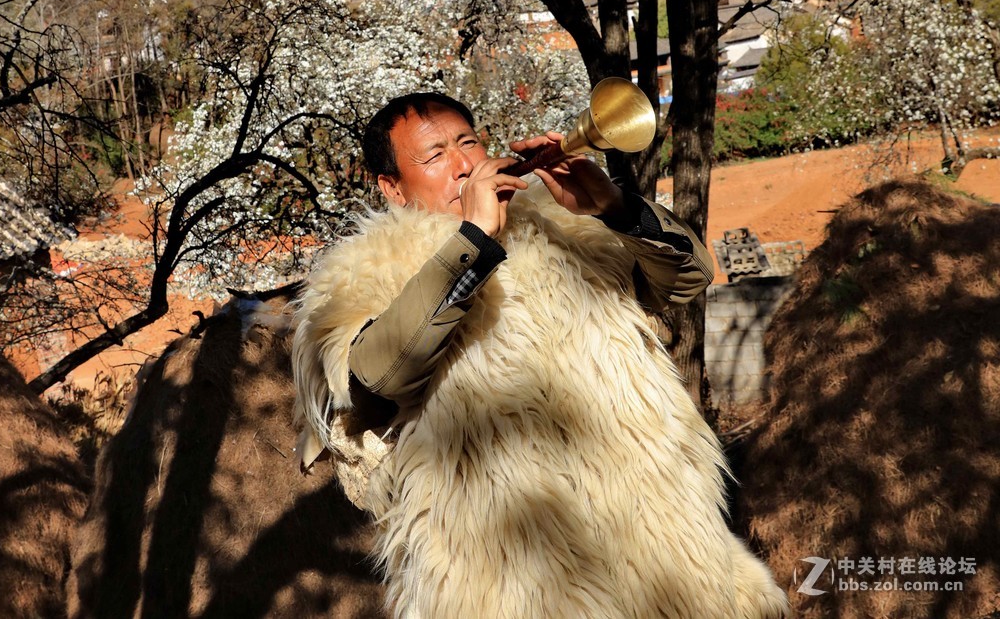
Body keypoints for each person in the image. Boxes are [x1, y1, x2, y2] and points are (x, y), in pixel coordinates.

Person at [292, 91, 788, 619]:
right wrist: (475, 242)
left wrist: (612, 207)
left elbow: (691, 275)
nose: (465, 166)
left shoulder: (564, 227)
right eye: (435, 157)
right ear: (391, 187)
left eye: (469, 143)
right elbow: (378, 374)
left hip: (662, 552)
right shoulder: (363, 272)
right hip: (507, 581)